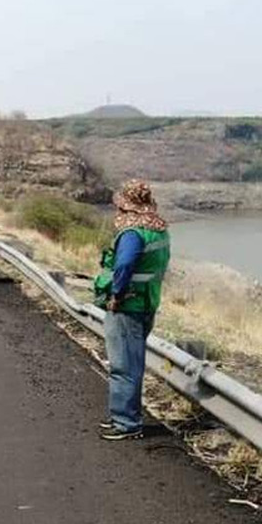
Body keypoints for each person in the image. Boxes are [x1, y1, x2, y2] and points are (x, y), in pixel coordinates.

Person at [93, 180, 171, 441]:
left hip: (128, 305)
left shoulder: (132, 233)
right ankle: (125, 416)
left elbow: (124, 265)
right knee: (132, 363)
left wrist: (116, 295)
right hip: (147, 303)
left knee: (124, 366)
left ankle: (126, 423)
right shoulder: (158, 229)